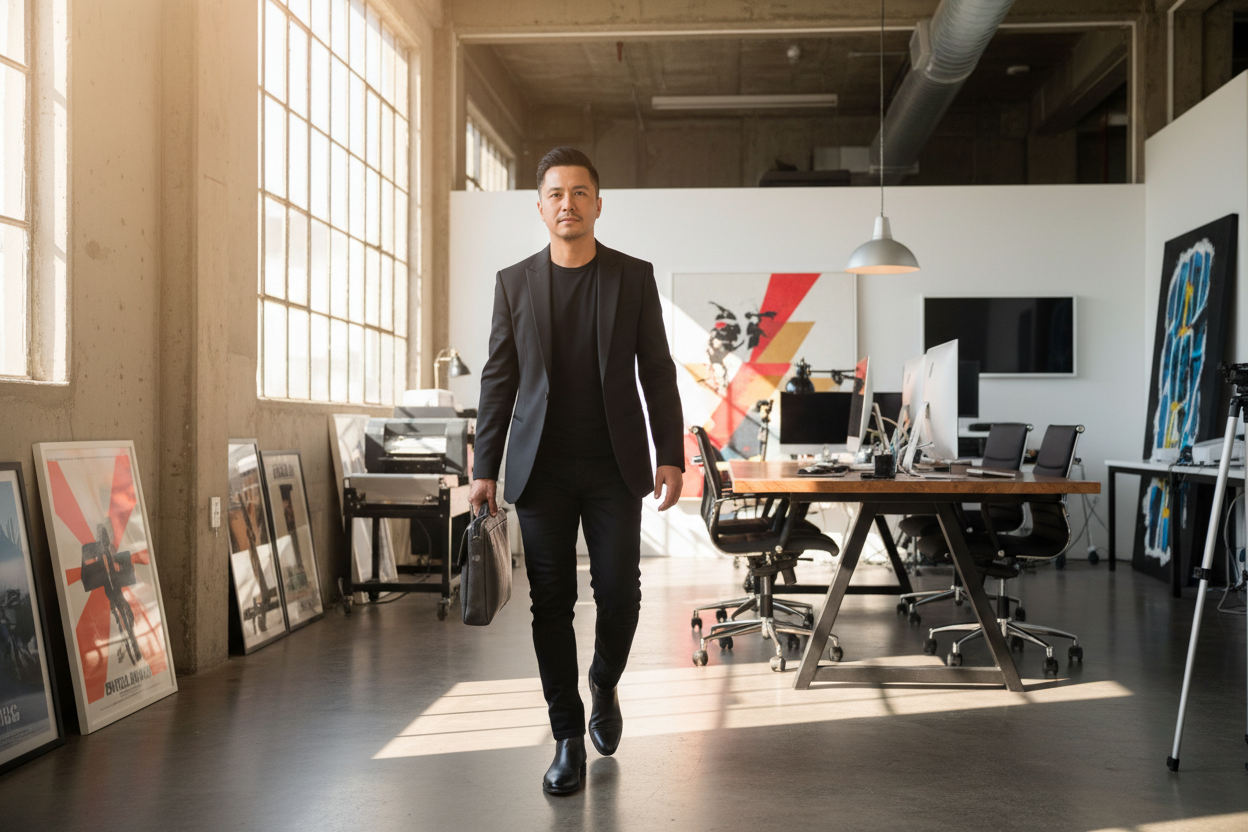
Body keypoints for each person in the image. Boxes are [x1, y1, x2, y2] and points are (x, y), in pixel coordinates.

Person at [469, 147, 685, 795]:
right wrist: (484, 467)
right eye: (556, 194)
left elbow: (658, 372)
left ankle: (603, 682)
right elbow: (499, 379)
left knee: (621, 594)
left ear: (597, 203)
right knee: (551, 604)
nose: (568, 203)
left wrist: (669, 453)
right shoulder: (514, 283)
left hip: (615, 466)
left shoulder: (632, 277)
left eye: (580, 192)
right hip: (541, 471)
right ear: (541, 208)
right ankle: (566, 734)